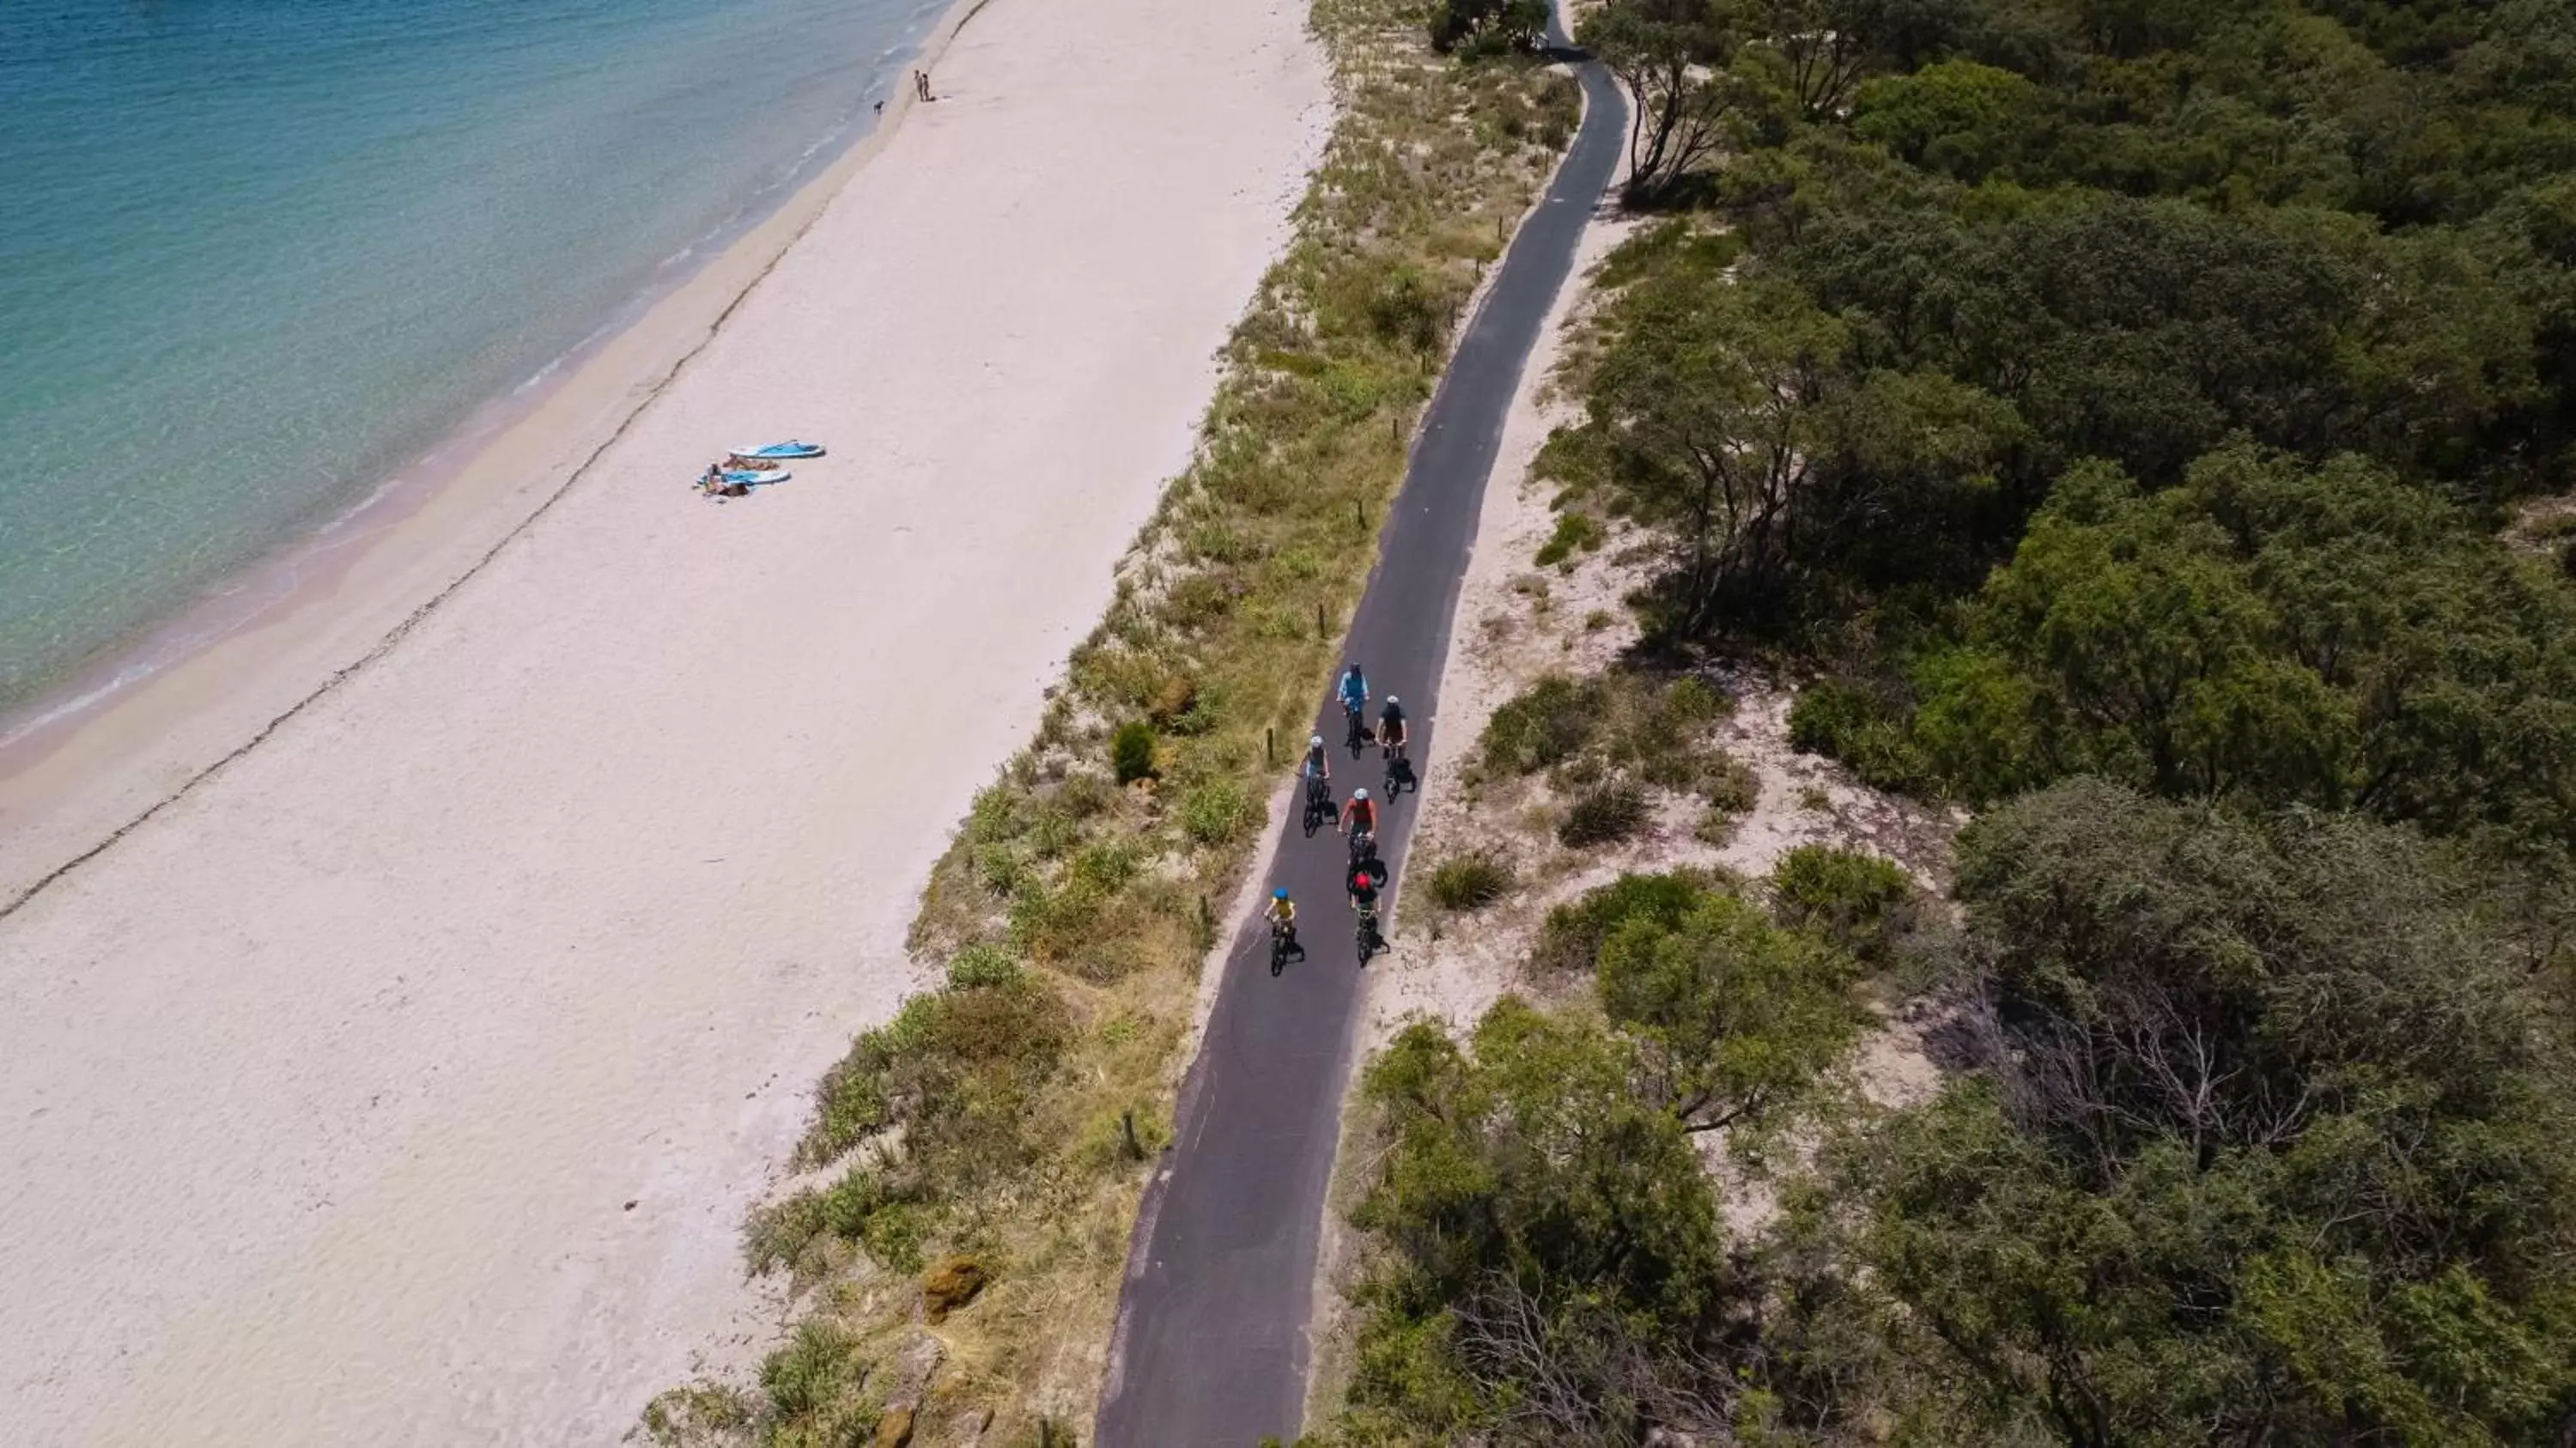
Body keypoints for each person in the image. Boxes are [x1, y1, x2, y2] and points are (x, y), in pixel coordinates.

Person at [1340, 786, 1378, 850]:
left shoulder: (1370, 804)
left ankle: (1372, 848)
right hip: (1357, 822)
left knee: (1369, 840)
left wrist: (1372, 833)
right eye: (1358, 800)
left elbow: (1374, 819)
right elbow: (1345, 814)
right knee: (1351, 840)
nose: (1360, 802)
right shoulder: (1351, 802)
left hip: (1368, 823)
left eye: (1362, 800)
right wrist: (1340, 827)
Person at [1265, 887, 1299, 955]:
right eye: (1278, 898)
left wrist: (1291, 917)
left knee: (1287, 930)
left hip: (1287, 916)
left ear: (1284, 899)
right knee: (1274, 920)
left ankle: (1290, 932)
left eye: (1280, 899)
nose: (1279, 900)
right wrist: (1267, 912)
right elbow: (1271, 906)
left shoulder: (1289, 904)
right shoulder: (1276, 900)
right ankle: (1276, 931)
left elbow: (1293, 912)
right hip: (1280, 914)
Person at [1377, 694, 1409, 761]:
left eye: (1393, 705)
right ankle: (1386, 750)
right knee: (1385, 731)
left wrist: (1404, 738)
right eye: (1390, 705)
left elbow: (1403, 725)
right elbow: (1380, 724)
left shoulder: (1400, 712)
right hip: (1389, 731)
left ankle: (1400, 757)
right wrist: (1377, 737)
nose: (1392, 707)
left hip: (1398, 732)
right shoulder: (1386, 712)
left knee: (1401, 752)